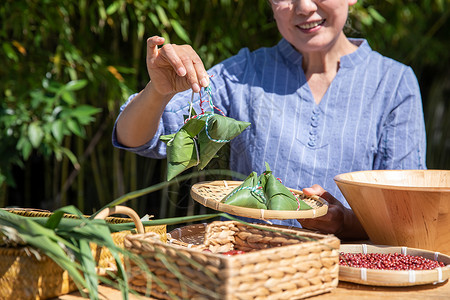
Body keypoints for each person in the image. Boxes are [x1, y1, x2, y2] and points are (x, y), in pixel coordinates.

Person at [113, 0, 426, 240]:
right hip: (242, 265)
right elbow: (136, 138)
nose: (304, 7)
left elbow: (408, 216)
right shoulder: (243, 75)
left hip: (340, 276)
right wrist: (158, 91)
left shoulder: (394, 84)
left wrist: (344, 220)